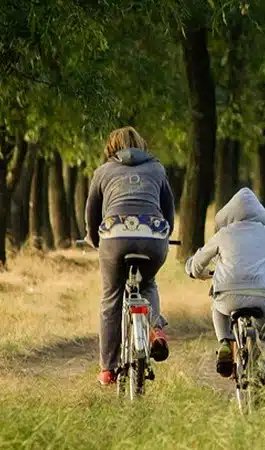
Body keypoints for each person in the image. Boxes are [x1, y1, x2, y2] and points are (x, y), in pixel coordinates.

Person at [85, 126, 175, 386]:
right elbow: (168, 210)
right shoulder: (157, 169)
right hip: (153, 236)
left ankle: (108, 368)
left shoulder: (102, 172)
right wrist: (164, 235)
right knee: (147, 283)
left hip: (114, 236)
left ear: (111, 147)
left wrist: (93, 239)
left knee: (111, 298)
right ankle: (156, 329)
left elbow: (92, 214)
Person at [185, 188, 265, 391]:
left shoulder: (223, 233)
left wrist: (194, 270)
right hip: (259, 296)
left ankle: (225, 343)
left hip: (228, 296)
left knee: (218, 309)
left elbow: (199, 261)